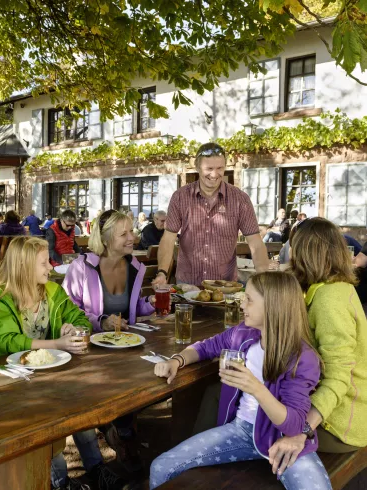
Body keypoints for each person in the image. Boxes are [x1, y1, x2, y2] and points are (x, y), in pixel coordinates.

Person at [150, 271, 330, 490]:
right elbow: (205, 347)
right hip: (241, 431)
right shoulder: (244, 334)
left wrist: (255, 387)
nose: (241, 304)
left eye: (249, 299)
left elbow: (293, 425)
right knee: (161, 467)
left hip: (285, 442)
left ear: (272, 306)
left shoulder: (302, 358)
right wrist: (177, 361)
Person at [0, 236, 130, 490]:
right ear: (24, 267)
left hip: (51, 377)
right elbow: (7, 341)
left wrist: (73, 330)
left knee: (80, 414)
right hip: (12, 383)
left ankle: (96, 469)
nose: (51, 267)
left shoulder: (52, 291)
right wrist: (56, 345)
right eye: (44, 263)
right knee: (52, 435)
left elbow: (81, 320)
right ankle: (59, 483)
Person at [268, 218, 367, 470]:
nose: (290, 255)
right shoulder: (332, 286)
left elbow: (338, 378)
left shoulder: (328, 299)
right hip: (339, 408)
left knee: (246, 408)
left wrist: (301, 431)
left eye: (294, 248)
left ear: (306, 253)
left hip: (342, 421)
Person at [63, 209, 155, 472]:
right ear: (105, 239)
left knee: (144, 377)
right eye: (124, 233)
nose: (133, 238)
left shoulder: (136, 267)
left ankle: (123, 431)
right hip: (90, 348)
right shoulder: (81, 266)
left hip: (126, 344)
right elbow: (67, 310)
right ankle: (119, 433)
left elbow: (133, 308)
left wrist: (150, 302)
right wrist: (100, 321)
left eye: (132, 231)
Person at [153, 143, 269, 287]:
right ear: (197, 167)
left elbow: (255, 242)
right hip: (187, 284)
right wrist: (162, 272)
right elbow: (168, 239)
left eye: (220, 168)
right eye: (209, 168)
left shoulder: (240, 199)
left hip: (225, 286)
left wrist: (264, 280)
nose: (215, 174)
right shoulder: (180, 197)